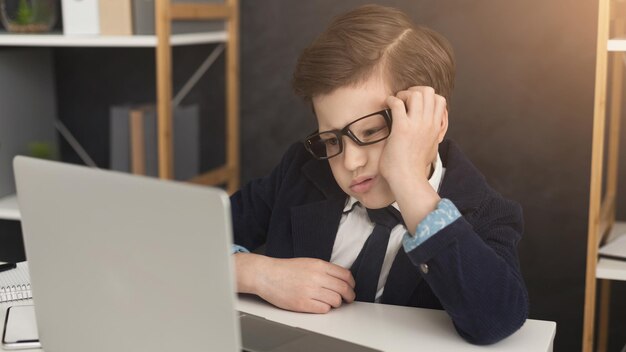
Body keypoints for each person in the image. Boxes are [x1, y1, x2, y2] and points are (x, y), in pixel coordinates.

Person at [230, 4, 528, 345]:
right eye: (331, 140)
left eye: (371, 132)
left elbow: (496, 319)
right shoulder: (300, 172)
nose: (351, 161)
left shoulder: (486, 211)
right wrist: (256, 273)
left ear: (434, 121)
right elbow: (189, 241)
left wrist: (408, 178)